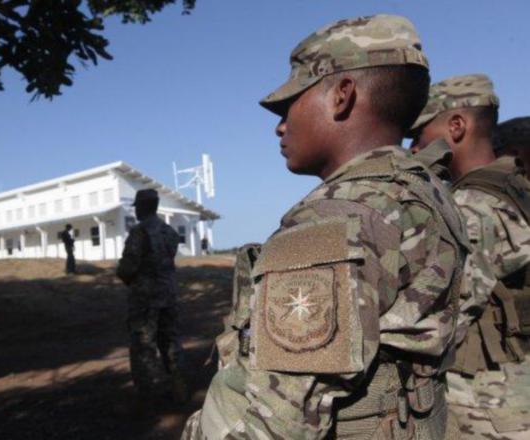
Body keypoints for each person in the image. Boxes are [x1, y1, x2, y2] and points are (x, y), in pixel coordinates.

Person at [182, 14, 469, 439]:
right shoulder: (425, 192)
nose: (279, 125)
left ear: (342, 95)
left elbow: (277, 421)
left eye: (289, 104)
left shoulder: (336, 218)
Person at [410, 75, 530, 438]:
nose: (414, 148)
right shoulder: (514, 187)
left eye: (417, 135)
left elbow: (438, 322)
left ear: (456, 126)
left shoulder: (470, 208)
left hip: (483, 408)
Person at [116, 189, 186, 402]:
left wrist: (125, 275)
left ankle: (146, 397)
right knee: (171, 341)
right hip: (169, 295)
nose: (135, 211)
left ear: (143, 207)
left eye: (137, 206)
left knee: (143, 346)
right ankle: (179, 387)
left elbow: (128, 267)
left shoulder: (139, 232)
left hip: (146, 300)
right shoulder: (169, 232)